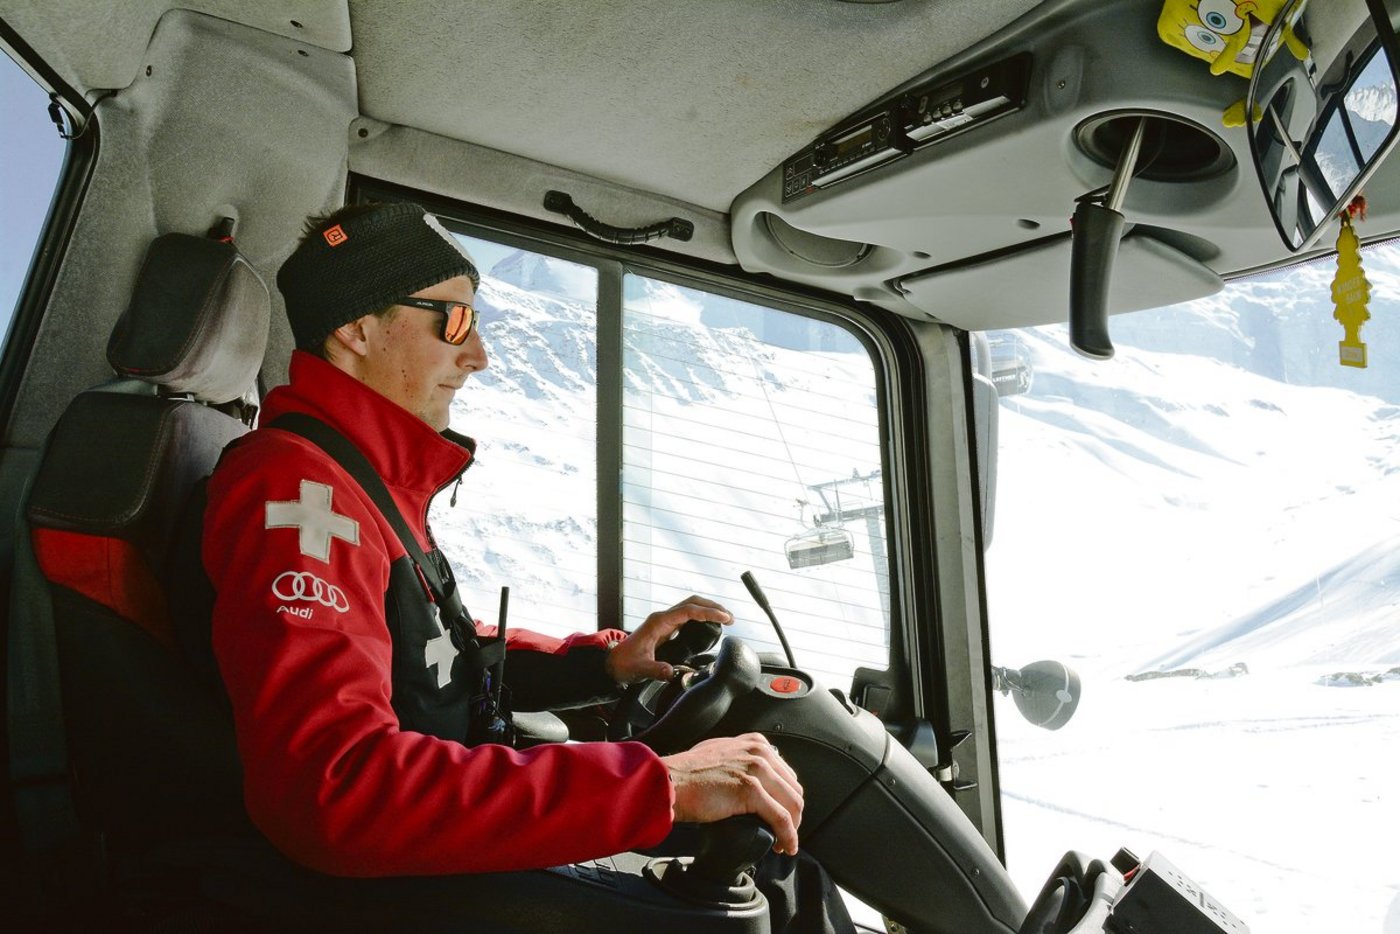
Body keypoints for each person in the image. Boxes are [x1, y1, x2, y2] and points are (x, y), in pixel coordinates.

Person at [201, 202, 824, 902]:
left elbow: (429, 650)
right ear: (358, 329)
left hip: (444, 827)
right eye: (455, 321)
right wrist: (658, 784)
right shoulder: (297, 487)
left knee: (782, 875)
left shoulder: (366, 482)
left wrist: (604, 662)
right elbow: (335, 789)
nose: (479, 355)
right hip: (398, 890)